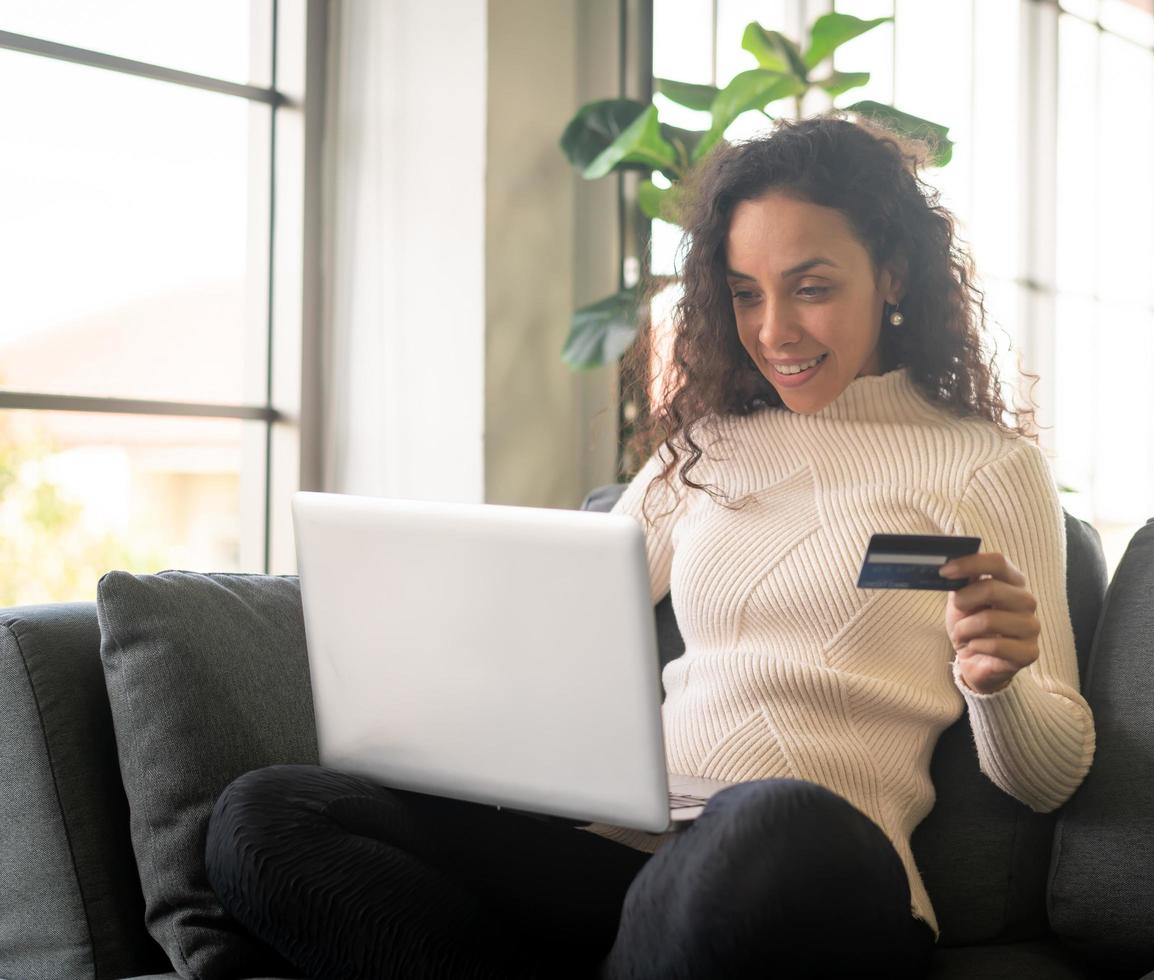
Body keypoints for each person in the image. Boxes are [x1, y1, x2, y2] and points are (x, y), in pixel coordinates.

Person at [204, 112, 1097, 980]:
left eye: (811, 286)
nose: (774, 331)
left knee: (772, 819)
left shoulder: (986, 468)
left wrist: (1000, 685)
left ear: (894, 275)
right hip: (624, 861)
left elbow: (1048, 776)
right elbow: (558, 629)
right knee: (265, 815)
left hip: (812, 870)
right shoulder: (704, 451)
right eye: (747, 294)